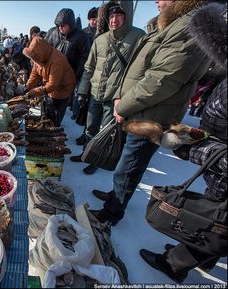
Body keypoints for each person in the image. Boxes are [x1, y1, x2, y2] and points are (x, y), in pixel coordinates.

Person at [89, 0, 214, 225]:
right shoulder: (172, 23)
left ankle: (112, 213)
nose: (155, 1)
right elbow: (136, 69)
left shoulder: (189, 26)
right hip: (139, 108)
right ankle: (115, 197)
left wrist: (124, 105)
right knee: (125, 164)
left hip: (152, 115)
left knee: (130, 166)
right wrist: (121, 95)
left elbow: (161, 79)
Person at [139, 2, 227, 283]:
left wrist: (194, 149)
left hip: (220, 168)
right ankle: (203, 254)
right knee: (218, 219)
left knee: (215, 218)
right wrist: (198, 135)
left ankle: (174, 264)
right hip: (219, 169)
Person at [70, 0, 146, 175]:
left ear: (127, 16)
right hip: (96, 94)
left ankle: (96, 160)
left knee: (105, 132)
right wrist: (82, 90)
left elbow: (141, 71)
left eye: (119, 15)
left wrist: (127, 97)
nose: (114, 20)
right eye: (111, 15)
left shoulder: (138, 37)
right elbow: (89, 67)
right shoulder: (101, 39)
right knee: (90, 128)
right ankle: (86, 154)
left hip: (115, 97)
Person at [23, 36, 76, 127]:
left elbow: (53, 85)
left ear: (42, 54)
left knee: (56, 114)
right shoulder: (38, 57)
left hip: (63, 89)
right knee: (49, 109)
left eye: (35, 59)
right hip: (52, 86)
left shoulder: (57, 60)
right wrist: (27, 87)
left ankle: (55, 126)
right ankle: (49, 122)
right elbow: (34, 74)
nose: (34, 61)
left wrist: (35, 91)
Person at [45, 8, 91, 109]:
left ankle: (57, 120)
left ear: (70, 24)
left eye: (63, 25)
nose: (60, 28)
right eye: (58, 25)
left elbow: (85, 58)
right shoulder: (53, 33)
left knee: (61, 102)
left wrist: (76, 76)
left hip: (69, 76)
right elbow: (46, 51)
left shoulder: (81, 36)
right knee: (49, 100)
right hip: (53, 74)